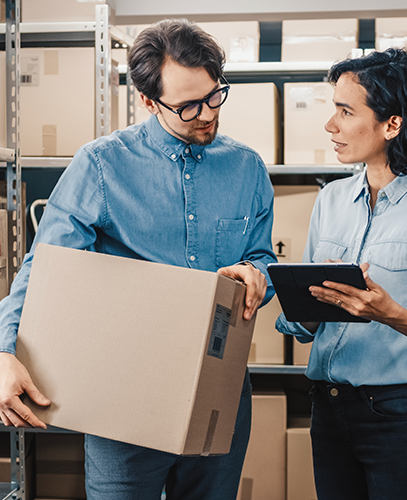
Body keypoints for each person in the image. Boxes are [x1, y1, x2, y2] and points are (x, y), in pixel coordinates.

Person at [0, 19, 277, 500]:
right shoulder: (103, 165)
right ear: (148, 101)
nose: (208, 113)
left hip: (220, 385)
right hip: (125, 394)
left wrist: (256, 275)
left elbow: (261, 256)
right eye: (189, 106)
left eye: (215, 96)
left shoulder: (247, 168)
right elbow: (44, 269)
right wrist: (4, 351)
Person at [276, 48, 407, 500]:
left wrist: (391, 314)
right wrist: (310, 300)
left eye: (345, 112)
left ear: (392, 124)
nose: (331, 125)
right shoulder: (330, 200)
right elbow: (300, 327)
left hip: (403, 418)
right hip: (328, 411)